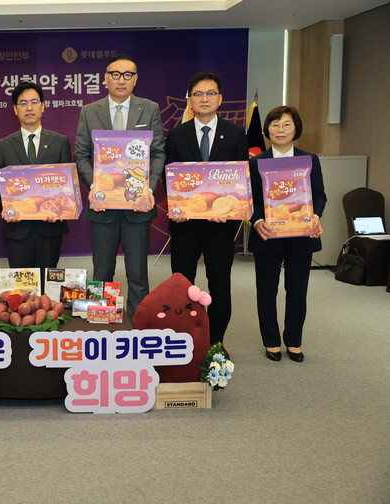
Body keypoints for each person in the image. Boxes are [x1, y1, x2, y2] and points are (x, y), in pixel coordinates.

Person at [74, 54, 165, 319]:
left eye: (127, 75)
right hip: (103, 206)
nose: (121, 80)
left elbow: (158, 152)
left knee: (138, 273)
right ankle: (102, 324)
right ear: (106, 79)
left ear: (135, 80)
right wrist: (95, 185)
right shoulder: (89, 111)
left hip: (138, 206)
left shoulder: (149, 109)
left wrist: (149, 188)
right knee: (102, 271)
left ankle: (139, 325)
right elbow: (81, 155)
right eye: (115, 74)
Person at [164, 71, 248, 355]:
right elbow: (168, 176)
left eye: (210, 93)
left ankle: (215, 341)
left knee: (220, 283)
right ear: (189, 100)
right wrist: (176, 207)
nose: (204, 99)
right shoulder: (177, 134)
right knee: (182, 284)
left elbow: (241, 179)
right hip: (185, 224)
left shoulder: (235, 134)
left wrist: (231, 209)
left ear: (220, 99)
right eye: (198, 94)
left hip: (220, 225)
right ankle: (184, 339)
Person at [249, 106, 326, 363]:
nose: (280, 130)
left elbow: (319, 195)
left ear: (296, 129)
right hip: (267, 234)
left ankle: (294, 341)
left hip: (301, 234)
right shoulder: (256, 162)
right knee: (266, 291)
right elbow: (251, 199)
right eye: (274, 125)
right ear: (267, 129)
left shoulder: (309, 160)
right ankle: (271, 341)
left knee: (297, 291)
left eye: (286, 125)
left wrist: (316, 216)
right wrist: (257, 221)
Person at [0, 81, 72, 279]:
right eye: (23, 103)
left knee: (47, 286)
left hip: (50, 227)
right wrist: (9, 208)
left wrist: (60, 210)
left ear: (43, 106)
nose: (29, 107)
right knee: (22, 286)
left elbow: (67, 185)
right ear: (15, 109)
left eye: (34, 102)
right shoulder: (3, 145)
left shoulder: (60, 142)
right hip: (17, 228)